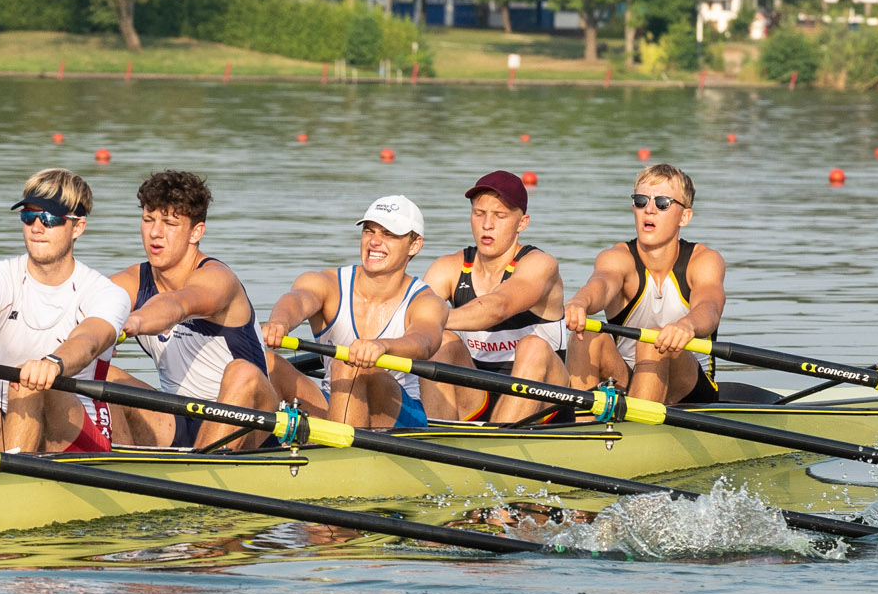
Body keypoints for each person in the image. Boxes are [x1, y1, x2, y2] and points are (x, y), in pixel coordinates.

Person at [0, 169, 131, 453]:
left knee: (27, 380)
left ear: (77, 227)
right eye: (29, 216)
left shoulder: (106, 293)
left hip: (76, 436)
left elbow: (89, 341)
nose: (37, 227)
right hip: (9, 426)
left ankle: (6, 481)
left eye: (50, 218)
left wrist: (53, 363)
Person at [102, 170, 273, 450]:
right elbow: (83, 308)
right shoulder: (131, 281)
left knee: (243, 372)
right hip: (180, 420)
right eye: (148, 220)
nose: (155, 233)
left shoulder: (217, 279)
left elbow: (177, 304)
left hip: (251, 425)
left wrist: (130, 322)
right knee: (106, 376)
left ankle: (201, 472)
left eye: (169, 223)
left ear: (196, 232)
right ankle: (120, 470)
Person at [263, 194, 449, 430]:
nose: (374, 241)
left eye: (389, 234)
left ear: (414, 245)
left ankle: (333, 459)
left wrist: (382, 346)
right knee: (267, 362)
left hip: (398, 414)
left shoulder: (426, 301)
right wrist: (279, 323)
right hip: (334, 402)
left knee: (352, 365)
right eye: (369, 231)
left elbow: (424, 341)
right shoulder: (327, 282)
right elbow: (298, 300)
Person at [562, 163, 728, 403]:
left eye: (662, 203)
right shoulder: (617, 257)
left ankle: (634, 431)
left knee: (653, 340)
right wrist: (580, 302)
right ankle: (580, 427)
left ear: (685, 216)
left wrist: (687, 326)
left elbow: (710, 308)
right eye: (641, 201)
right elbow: (602, 283)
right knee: (585, 332)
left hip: (691, 389)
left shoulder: (704, 260)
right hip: (628, 379)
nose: (649, 210)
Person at [419, 168, 569, 425]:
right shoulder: (449, 267)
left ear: (522, 223)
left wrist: (430, 319)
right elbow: (410, 312)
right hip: (477, 400)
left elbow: (497, 307)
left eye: (500, 216)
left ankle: (494, 444)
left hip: (543, 404)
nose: (487, 225)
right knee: (440, 340)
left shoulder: (540, 265)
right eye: (479, 214)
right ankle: (435, 438)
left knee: (533, 347)